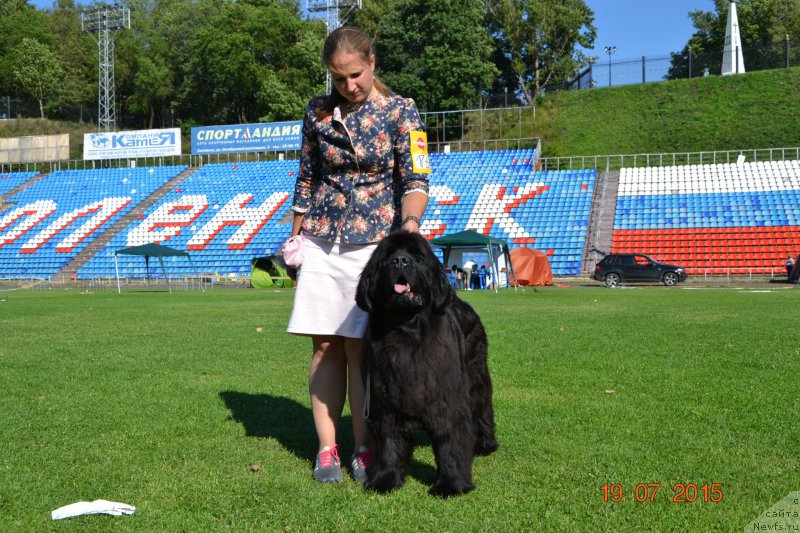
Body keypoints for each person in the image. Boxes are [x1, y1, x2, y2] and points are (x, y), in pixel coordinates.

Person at [285, 26, 429, 485]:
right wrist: (295, 243)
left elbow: (417, 179)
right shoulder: (317, 113)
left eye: (356, 75)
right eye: (339, 77)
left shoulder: (402, 111)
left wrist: (408, 227)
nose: (349, 86)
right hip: (323, 240)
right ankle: (327, 449)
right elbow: (306, 179)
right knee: (325, 344)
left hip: (374, 247)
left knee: (361, 349)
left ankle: (366, 448)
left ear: (373, 62)